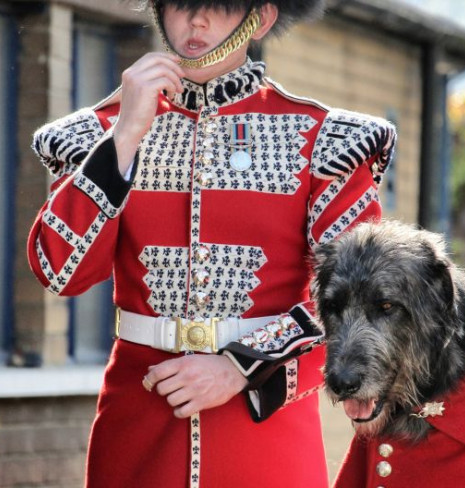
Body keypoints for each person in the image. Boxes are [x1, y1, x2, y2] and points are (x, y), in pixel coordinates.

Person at [27, 1, 396, 486]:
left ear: (260, 18)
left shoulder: (325, 141)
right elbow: (60, 271)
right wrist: (123, 139)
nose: (196, 21)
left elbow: (359, 307)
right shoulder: (99, 133)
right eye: (180, 4)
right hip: (138, 431)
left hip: (265, 440)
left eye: (217, 6)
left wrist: (241, 367)